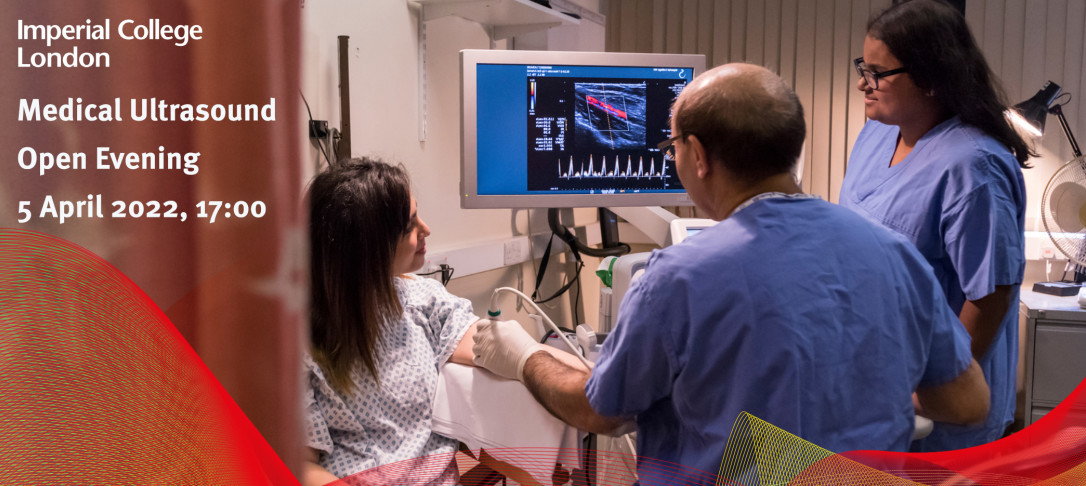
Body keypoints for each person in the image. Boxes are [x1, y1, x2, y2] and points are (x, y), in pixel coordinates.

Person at [471, 63, 991, 478]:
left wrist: (525, 358)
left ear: (697, 155)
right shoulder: (893, 254)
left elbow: (601, 412)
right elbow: (968, 402)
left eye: (671, 147)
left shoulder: (677, 277)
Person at [839, 0, 1029, 451]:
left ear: (929, 78)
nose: (863, 83)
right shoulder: (880, 132)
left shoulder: (972, 166)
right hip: (877, 386)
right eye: (863, 66)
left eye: (879, 73)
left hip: (938, 412)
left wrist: (938, 388)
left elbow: (989, 298)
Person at [301, 158, 479, 485]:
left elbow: (484, 346)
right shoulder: (300, 344)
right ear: (367, 250)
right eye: (410, 225)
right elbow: (301, 465)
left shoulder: (424, 300)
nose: (426, 230)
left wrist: (535, 361)